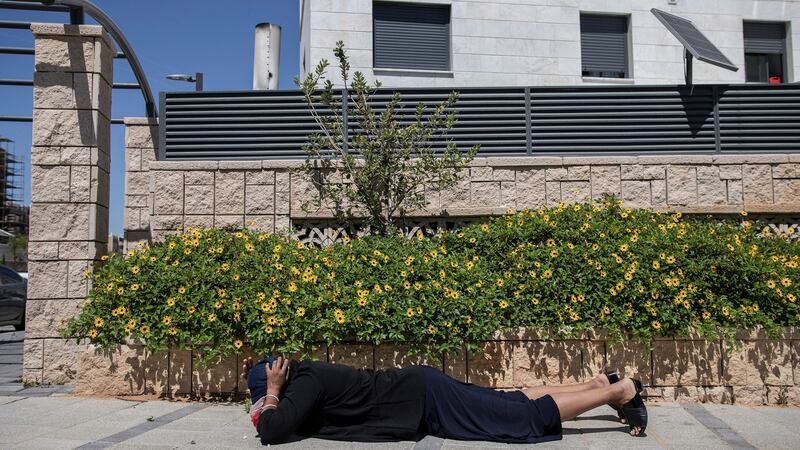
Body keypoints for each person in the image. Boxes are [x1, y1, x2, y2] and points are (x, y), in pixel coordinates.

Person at [243, 356, 647, 445]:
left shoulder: (302, 386)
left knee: (516, 419)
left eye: (263, 393)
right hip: (420, 391)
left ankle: (620, 391)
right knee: (509, 400)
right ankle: (595, 385)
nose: (265, 401)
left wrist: (274, 394)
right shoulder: (307, 376)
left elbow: (273, 430)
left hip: (424, 400)